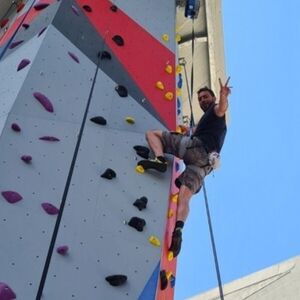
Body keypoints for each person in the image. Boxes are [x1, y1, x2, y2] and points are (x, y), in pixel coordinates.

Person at [141, 77, 231, 257]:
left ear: (213, 98)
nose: (202, 100)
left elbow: (222, 108)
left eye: (205, 97)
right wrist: (187, 130)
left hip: (195, 149)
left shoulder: (215, 112)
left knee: (153, 134)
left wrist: (223, 96)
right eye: (200, 99)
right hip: (205, 166)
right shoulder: (207, 122)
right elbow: (194, 130)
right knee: (184, 197)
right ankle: (178, 230)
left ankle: (159, 160)